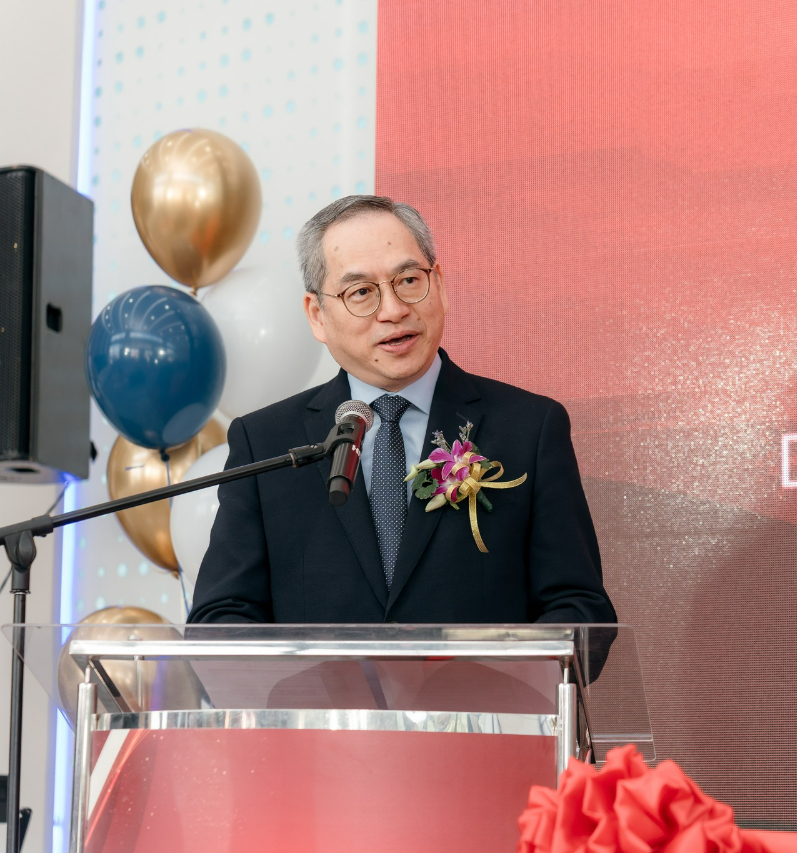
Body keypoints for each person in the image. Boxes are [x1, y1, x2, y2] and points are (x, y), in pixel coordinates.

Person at [188, 195, 615, 624]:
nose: (394, 310)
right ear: (317, 315)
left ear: (439, 285)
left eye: (409, 280)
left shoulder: (529, 429)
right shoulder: (266, 442)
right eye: (361, 292)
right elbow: (221, 617)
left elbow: (579, 610)